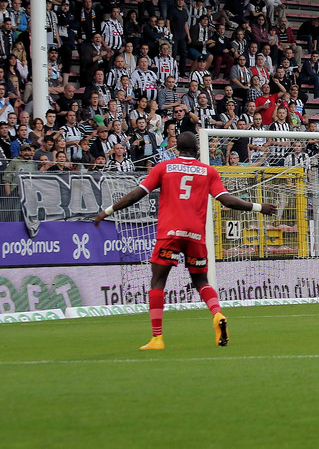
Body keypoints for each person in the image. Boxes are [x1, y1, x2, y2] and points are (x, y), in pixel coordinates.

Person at [93, 132, 278, 350]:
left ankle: (157, 338)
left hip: (169, 234)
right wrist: (259, 207)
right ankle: (217, 314)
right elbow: (227, 201)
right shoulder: (208, 171)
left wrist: (107, 211)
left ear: (176, 149)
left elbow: (136, 195)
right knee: (201, 281)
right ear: (197, 149)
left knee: (158, 281)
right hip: (195, 235)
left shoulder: (164, 167)